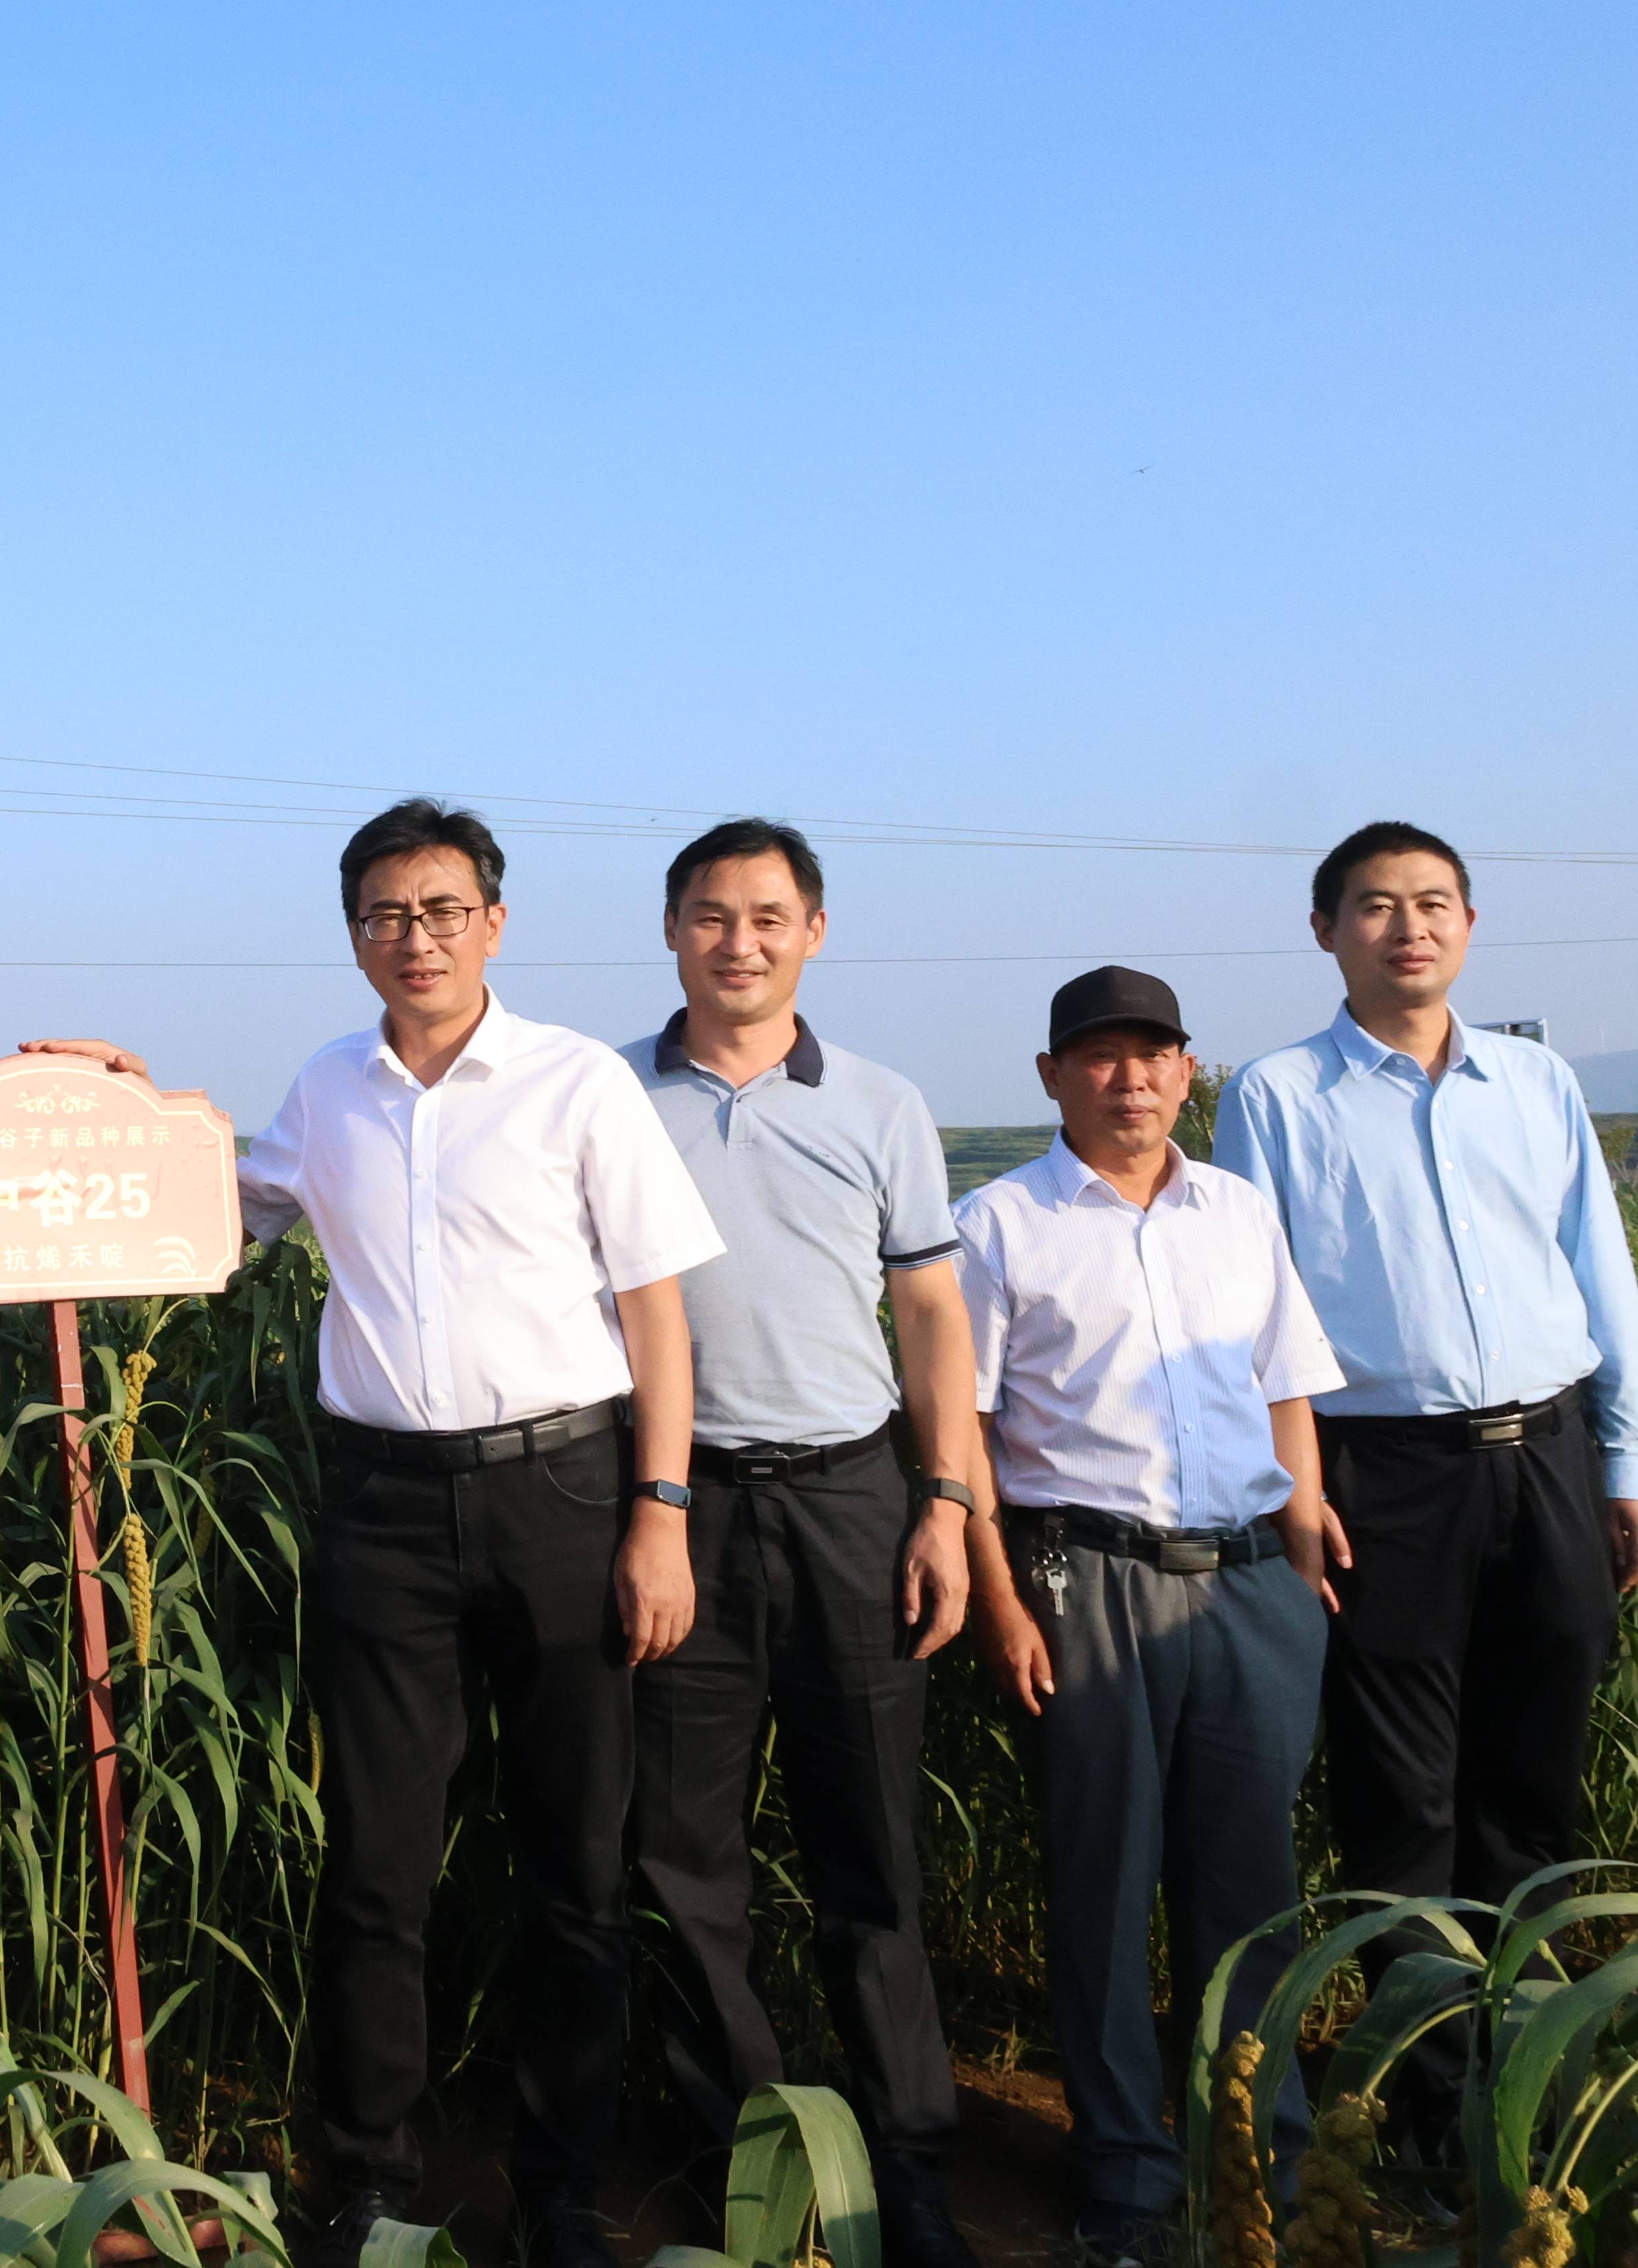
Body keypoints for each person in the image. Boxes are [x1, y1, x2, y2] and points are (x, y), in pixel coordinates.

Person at [62, 797, 724, 2268]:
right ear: (354, 933)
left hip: (567, 1491)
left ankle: (561, 2187)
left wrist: (661, 1510)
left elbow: (657, 1314)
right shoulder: (328, 1088)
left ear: (495, 921)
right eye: (384, 915)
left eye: (441, 910)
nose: (414, 938)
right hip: (383, 1508)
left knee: (576, 1861)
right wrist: (129, 1111)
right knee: (376, 1862)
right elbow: (216, 1217)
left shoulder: (574, 1083)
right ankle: (370, 2180)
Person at [1214, 821, 1638, 2161]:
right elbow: (1258, 1304)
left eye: (1432, 902)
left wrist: (1632, 1460)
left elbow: (1603, 1272)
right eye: (1374, 905)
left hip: (1549, 1455)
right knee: (1402, 1799)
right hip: (1384, 1472)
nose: (1407, 926)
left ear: (1469, 922)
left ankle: (1530, 2076)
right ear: (1326, 931)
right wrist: (1295, 1484)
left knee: (1531, 1789)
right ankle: (1428, 2106)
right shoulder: (1279, 1096)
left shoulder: (1535, 1081)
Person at [618, 822, 981, 2268]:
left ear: (815, 931)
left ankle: (910, 2164)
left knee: (871, 1852)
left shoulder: (883, 1103)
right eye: (712, 915)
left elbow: (933, 1313)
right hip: (675, 1507)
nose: (740, 942)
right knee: (683, 1857)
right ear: (671, 929)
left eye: (769, 916)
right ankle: (749, 2167)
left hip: (851, 1498)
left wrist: (945, 1501)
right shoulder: (608, 1096)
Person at [958, 966, 1345, 2268]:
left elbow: (1286, 1384)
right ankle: (1127, 2172)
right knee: (1105, 1879)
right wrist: (1001, 1598)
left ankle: (1261, 2159)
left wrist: (1303, 1539)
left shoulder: (1236, 1210)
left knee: (1253, 1887)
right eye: (1100, 1056)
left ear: (1187, 1071)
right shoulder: (999, 1225)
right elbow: (962, 1430)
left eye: (1154, 1055)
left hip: (1250, 1581)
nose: (1130, 1079)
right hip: (1088, 1579)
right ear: (1053, 1076)